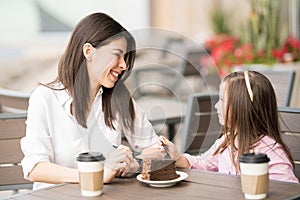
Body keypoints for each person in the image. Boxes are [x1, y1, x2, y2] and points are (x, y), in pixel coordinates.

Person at [21, 12, 159, 190]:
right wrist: (96, 174)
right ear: (88, 51)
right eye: (117, 55)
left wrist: (137, 164)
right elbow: (35, 168)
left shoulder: (119, 98)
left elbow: (155, 149)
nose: (124, 65)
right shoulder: (44, 98)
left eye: (125, 58)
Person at [159, 70, 299, 183]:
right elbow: (205, 164)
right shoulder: (227, 141)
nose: (216, 106)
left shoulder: (270, 151)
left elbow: (288, 190)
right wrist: (177, 157)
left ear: (241, 107)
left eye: (221, 100)